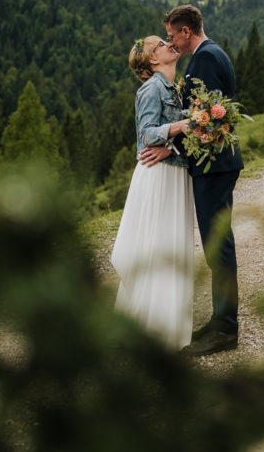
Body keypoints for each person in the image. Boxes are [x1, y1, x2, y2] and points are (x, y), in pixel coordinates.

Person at [139, 5, 243, 356]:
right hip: (213, 164)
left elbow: (208, 119)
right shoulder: (211, 55)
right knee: (218, 244)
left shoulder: (206, 59)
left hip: (213, 164)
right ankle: (220, 321)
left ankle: (226, 329)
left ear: (186, 32)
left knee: (218, 246)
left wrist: (170, 150)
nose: (172, 42)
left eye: (172, 35)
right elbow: (205, 117)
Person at [110, 36, 194, 349]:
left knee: (173, 245)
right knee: (158, 247)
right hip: (159, 177)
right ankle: (152, 330)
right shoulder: (151, 89)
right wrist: (181, 127)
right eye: (161, 43)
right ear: (153, 60)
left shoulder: (176, 88)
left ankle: (170, 326)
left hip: (176, 174)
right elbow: (145, 134)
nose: (169, 44)